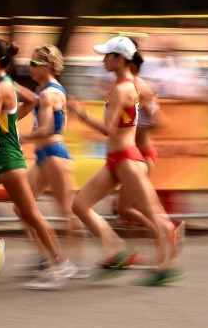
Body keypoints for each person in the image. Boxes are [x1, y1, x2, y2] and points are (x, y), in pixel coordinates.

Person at [0, 38, 77, 291]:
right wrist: (9, 123)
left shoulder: (0, 88)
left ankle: (61, 263)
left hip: (9, 159)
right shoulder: (5, 84)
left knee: (30, 214)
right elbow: (33, 99)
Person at [69, 36, 185, 284]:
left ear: (119, 59)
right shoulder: (129, 85)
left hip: (126, 159)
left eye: (106, 56)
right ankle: (118, 250)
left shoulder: (123, 88)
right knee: (80, 205)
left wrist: (81, 115)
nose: (103, 61)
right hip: (116, 159)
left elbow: (109, 129)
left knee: (153, 213)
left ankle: (168, 265)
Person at [14, 44, 89, 279]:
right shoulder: (46, 91)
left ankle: (77, 261)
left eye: (34, 64)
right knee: (21, 207)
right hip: (45, 156)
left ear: (47, 66)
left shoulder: (49, 93)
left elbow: (48, 129)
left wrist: (23, 137)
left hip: (55, 155)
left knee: (67, 210)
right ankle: (45, 255)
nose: (30, 68)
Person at [114, 40, 186, 278]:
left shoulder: (140, 87)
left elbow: (162, 122)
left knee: (145, 208)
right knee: (124, 208)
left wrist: (141, 125)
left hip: (142, 155)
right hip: (129, 155)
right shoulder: (124, 86)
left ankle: (166, 252)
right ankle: (161, 239)